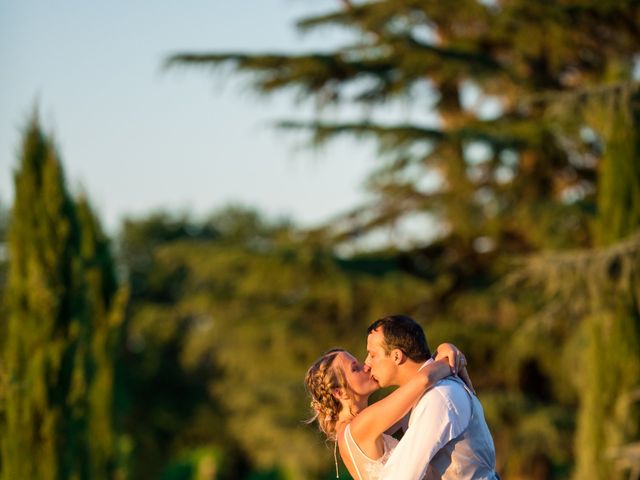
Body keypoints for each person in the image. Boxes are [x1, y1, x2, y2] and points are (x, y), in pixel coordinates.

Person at [305, 343, 471, 480]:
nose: (367, 367)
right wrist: (451, 362)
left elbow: (415, 393)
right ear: (339, 392)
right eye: (355, 369)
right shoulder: (359, 427)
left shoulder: (355, 431)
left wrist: (441, 351)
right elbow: (423, 380)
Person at [365, 315, 498, 480]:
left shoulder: (438, 396)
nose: (367, 363)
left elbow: (403, 474)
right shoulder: (425, 393)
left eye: (372, 354)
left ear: (396, 356)